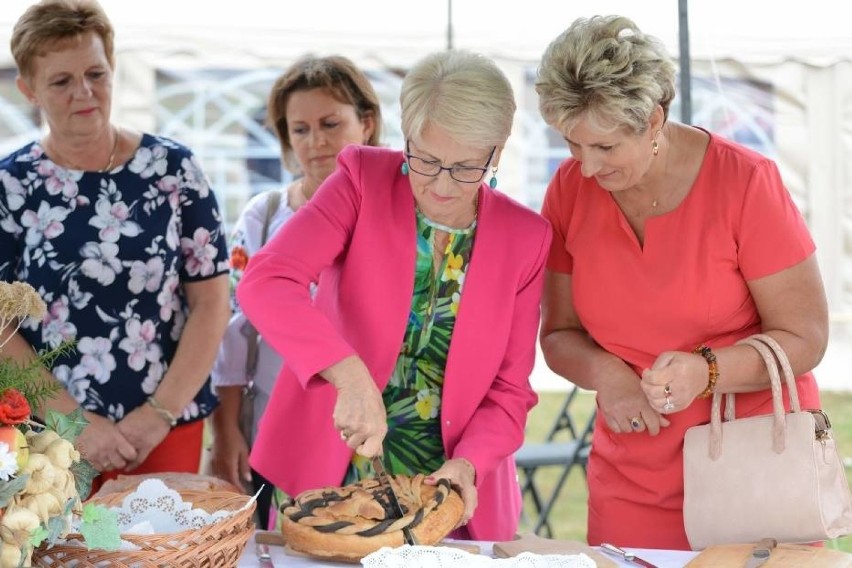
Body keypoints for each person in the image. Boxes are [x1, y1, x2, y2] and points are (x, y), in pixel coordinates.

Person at [535, 15, 828, 549]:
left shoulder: (744, 182)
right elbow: (558, 335)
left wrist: (707, 371)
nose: (586, 166)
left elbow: (805, 337)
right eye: (571, 144)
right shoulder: (569, 190)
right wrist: (609, 374)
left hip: (755, 465)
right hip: (632, 479)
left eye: (604, 147)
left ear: (654, 120)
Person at [237, 49, 552, 539]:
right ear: (405, 136)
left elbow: (510, 392)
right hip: (331, 471)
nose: (441, 184)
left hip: (446, 491)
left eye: (466, 167)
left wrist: (470, 464)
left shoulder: (526, 237)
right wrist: (349, 375)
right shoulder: (362, 180)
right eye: (425, 159)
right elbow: (268, 281)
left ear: (498, 151)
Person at [0, 0, 230, 489]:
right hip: (47, 434)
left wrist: (158, 414)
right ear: (28, 90)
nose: (84, 92)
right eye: (61, 81)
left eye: (96, 73)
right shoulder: (10, 185)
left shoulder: (175, 170)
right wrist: (75, 425)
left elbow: (211, 301)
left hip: (168, 424)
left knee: (165, 557)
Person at [208, 54, 382, 529]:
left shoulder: (395, 216)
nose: (316, 141)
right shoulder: (263, 216)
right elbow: (233, 333)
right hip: (277, 424)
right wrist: (226, 433)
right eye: (299, 129)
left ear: (366, 123)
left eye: (330, 123)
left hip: (375, 425)